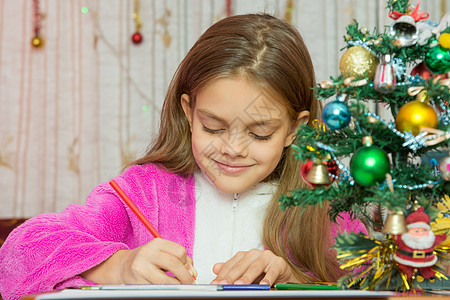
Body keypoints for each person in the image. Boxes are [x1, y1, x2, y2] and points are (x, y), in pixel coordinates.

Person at [0, 13, 366, 300]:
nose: (233, 148)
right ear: (189, 113)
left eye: (259, 133)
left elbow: (379, 279)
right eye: (213, 127)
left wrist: (291, 279)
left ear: (294, 129)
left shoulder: (323, 202)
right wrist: (120, 265)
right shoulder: (146, 191)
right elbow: (18, 255)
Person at [393, 207, 446, 279]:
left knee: (426, 267)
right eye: (416, 231)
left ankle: (426, 271)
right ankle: (407, 271)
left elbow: (437, 239)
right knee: (404, 266)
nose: (421, 233)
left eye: (424, 230)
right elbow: (396, 237)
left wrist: (442, 237)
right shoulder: (404, 237)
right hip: (406, 259)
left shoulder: (430, 238)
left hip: (426, 260)